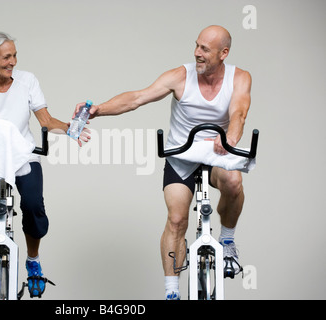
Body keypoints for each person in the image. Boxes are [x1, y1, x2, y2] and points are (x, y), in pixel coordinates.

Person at [74, 25, 252, 300]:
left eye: (205, 49)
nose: (197, 53)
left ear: (223, 53)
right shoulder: (180, 76)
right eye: (196, 46)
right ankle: (172, 291)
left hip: (217, 152)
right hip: (181, 156)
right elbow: (137, 98)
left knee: (233, 180)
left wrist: (230, 137)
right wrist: (99, 109)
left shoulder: (239, 78)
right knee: (177, 218)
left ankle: (227, 241)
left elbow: (239, 112)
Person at [0, 32, 87, 299]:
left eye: (15, 55)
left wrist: (71, 128)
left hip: (24, 155)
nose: (13, 62)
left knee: (33, 205)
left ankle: (32, 260)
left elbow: (45, 120)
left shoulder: (28, 81)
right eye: (7, 56)